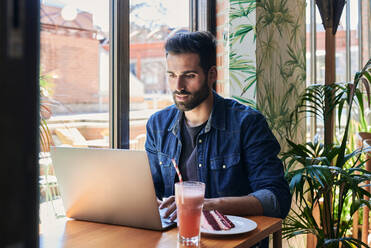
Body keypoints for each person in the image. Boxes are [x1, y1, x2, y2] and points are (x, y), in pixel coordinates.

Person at [145, 31, 291, 225]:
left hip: (232, 240)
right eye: (172, 75)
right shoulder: (157, 124)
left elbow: (276, 199)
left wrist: (208, 205)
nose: (178, 86)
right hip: (175, 238)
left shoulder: (247, 123)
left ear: (212, 74)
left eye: (189, 75)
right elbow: (149, 191)